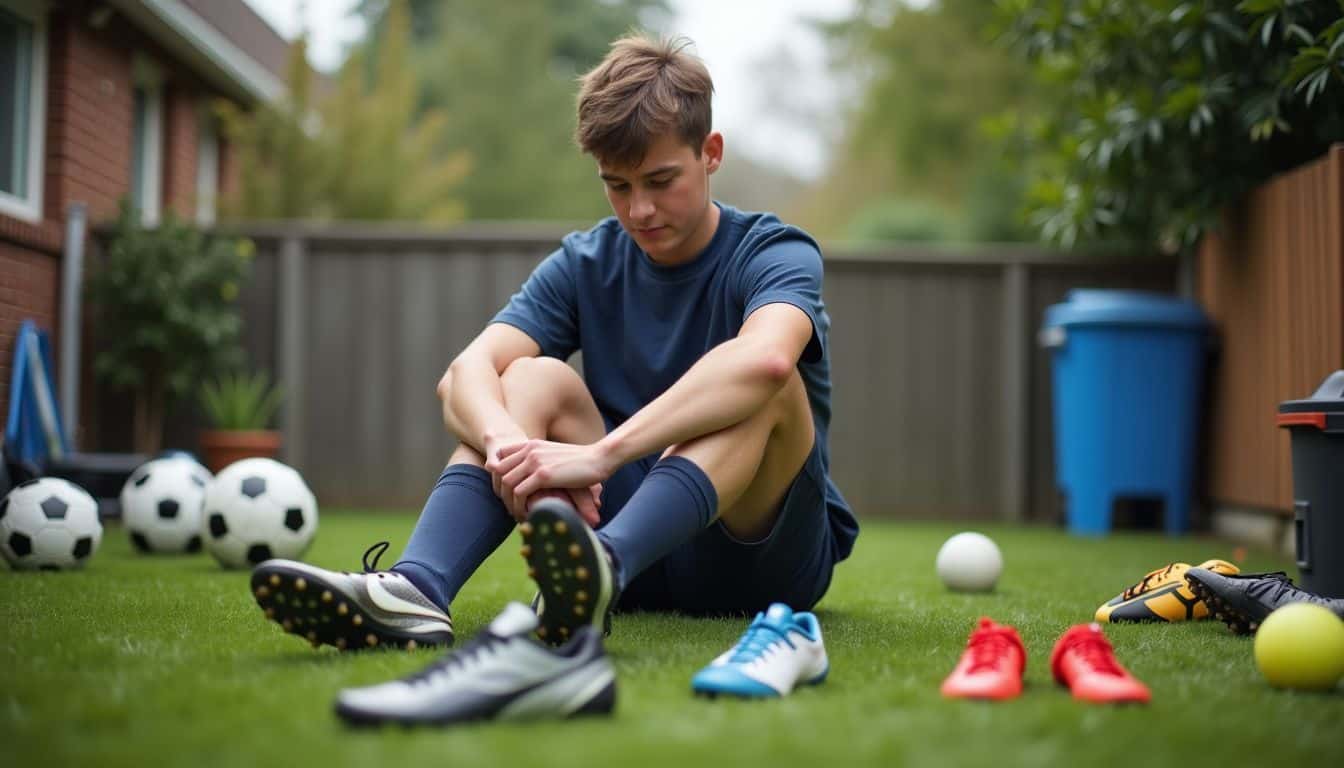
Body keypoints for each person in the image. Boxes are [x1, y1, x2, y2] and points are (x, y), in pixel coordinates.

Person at [250, 34, 859, 654]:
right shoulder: (587, 260)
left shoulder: (775, 251)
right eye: (617, 186)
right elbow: (464, 373)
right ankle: (418, 589)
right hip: (626, 542)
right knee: (527, 378)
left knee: (771, 385)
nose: (640, 209)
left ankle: (602, 570)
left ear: (711, 153)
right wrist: (508, 450)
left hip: (758, 563)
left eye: (660, 180)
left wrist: (601, 457)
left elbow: (767, 358)